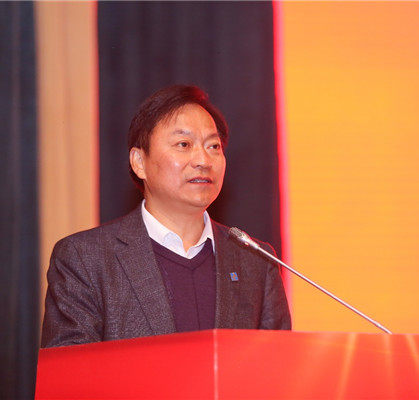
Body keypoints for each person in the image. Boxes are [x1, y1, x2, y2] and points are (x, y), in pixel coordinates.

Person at [41, 85, 291, 348]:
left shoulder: (256, 261)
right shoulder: (85, 258)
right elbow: (71, 370)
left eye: (213, 146)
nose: (203, 160)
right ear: (139, 162)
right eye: (184, 144)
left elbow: (277, 364)